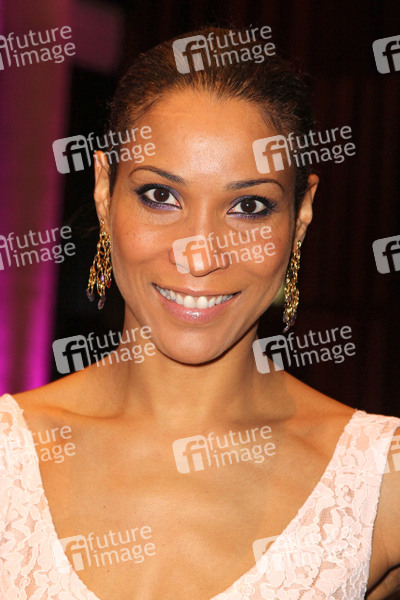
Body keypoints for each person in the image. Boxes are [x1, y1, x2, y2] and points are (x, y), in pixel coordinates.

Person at [1, 26, 399, 600]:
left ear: (301, 214)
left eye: (249, 206)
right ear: (104, 189)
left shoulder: (380, 481)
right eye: (161, 196)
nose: (200, 254)